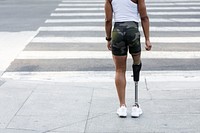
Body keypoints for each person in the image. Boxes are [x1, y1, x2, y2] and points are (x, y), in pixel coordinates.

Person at [104, 0, 152, 118]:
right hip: (133, 31)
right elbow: (144, 17)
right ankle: (135, 106)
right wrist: (147, 39)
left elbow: (108, 20)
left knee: (119, 70)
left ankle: (122, 107)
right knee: (136, 65)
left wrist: (108, 38)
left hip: (118, 32)